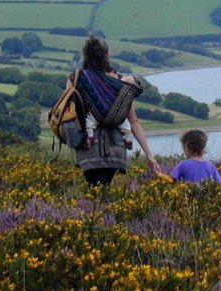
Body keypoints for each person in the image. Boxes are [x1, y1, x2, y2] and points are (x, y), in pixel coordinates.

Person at [68, 35, 159, 185]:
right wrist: (149, 154)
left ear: (86, 56)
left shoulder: (76, 78)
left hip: (88, 148)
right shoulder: (119, 82)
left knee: (95, 190)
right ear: (106, 55)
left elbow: (70, 114)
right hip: (115, 148)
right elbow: (134, 122)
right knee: (104, 188)